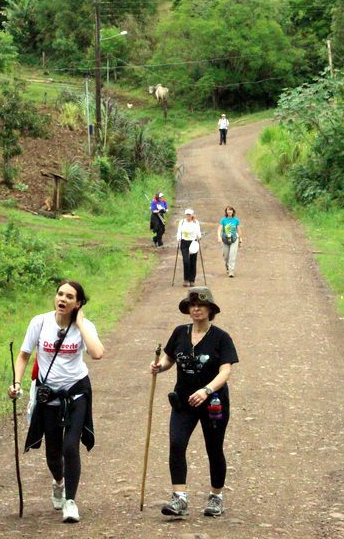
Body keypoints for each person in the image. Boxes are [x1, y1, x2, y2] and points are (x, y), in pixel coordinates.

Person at [7, 280, 104, 523]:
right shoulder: (39, 322)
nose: (63, 299)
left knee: (70, 446)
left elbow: (97, 353)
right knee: (53, 453)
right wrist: (17, 383)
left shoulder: (84, 326)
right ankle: (59, 482)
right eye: (60, 294)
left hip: (76, 392)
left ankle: (70, 502)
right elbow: (23, 355)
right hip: (48, 394)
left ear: (78, 303)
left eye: (70, 297)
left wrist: (80, 323)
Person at [150, 286, 238, 518]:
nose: (196, 308)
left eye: (201, 305)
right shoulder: (180, 332)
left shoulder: (221, 337)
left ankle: (216, 497)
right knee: (176, 444)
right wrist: (160, 368)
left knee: (214, 448)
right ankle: (179, 498)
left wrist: (206, 390)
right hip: (183, 401)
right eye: (192, 305)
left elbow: (225, 371)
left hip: (214, 402)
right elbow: (169, 358)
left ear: (210, 309)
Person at [176, 208, 202, 287]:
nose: (188, 216)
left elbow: (198, 231)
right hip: (184, 242)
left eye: (189, 214)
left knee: (193, 261)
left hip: (193, 242)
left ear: (192, 215)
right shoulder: (182, 222)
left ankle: (192, 280)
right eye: (187, 214)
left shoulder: (196, 222)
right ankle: (186, 279)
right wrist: (178, 238)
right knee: (186, 261)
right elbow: (179, 231)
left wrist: (199, 236)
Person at [216, 206, 244, 278]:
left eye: (231, 210)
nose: (229, 212)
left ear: (233, 212)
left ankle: (231, 271)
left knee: (232, 255)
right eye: (228, 210)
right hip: (225, 239)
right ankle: (227, 266)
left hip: (234, 239)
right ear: (226, 212)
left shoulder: (236, 220)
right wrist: (219, 236)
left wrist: (240, 239)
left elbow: (239, 230)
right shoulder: (223, 220)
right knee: (226, 256)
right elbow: (219, 229)